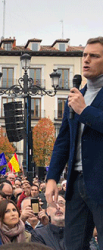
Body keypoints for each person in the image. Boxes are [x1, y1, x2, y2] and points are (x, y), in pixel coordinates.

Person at [46, 37, 103, 250]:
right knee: (73, 246)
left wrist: (85, 111)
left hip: (101, 181)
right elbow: (63, 141)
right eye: (85, 55)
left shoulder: (80, 102)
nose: (86, 60)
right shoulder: (78, 94)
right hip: (75, 184)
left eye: (94, 56)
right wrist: (52, 177)